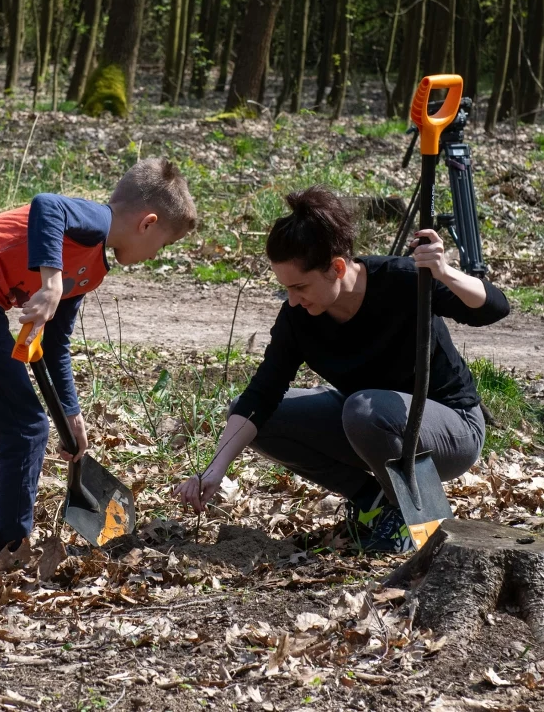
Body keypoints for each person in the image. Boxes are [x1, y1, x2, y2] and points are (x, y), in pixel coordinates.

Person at [172, 187, 508, 555]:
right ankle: (374, 501)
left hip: (451, 429)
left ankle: (408, 514)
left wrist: (443, 271)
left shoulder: (401, 280)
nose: (293, 299)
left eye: (300, 286)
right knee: (257, 418)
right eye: (286, 289)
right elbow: (261, 395)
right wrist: (215, 469)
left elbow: (492, 308)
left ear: (337, 267)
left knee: (364, 409)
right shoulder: (298, 317)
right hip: (369, 420)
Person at [0, 160, 197, 555]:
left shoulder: (92, 268)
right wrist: (51, 283)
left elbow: (55, 344)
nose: (157, 255)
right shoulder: (94, 221)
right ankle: (13, 546)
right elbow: (46, 204)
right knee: (27, 426)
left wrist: (71, 412)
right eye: (164, 245)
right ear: (148, 223)